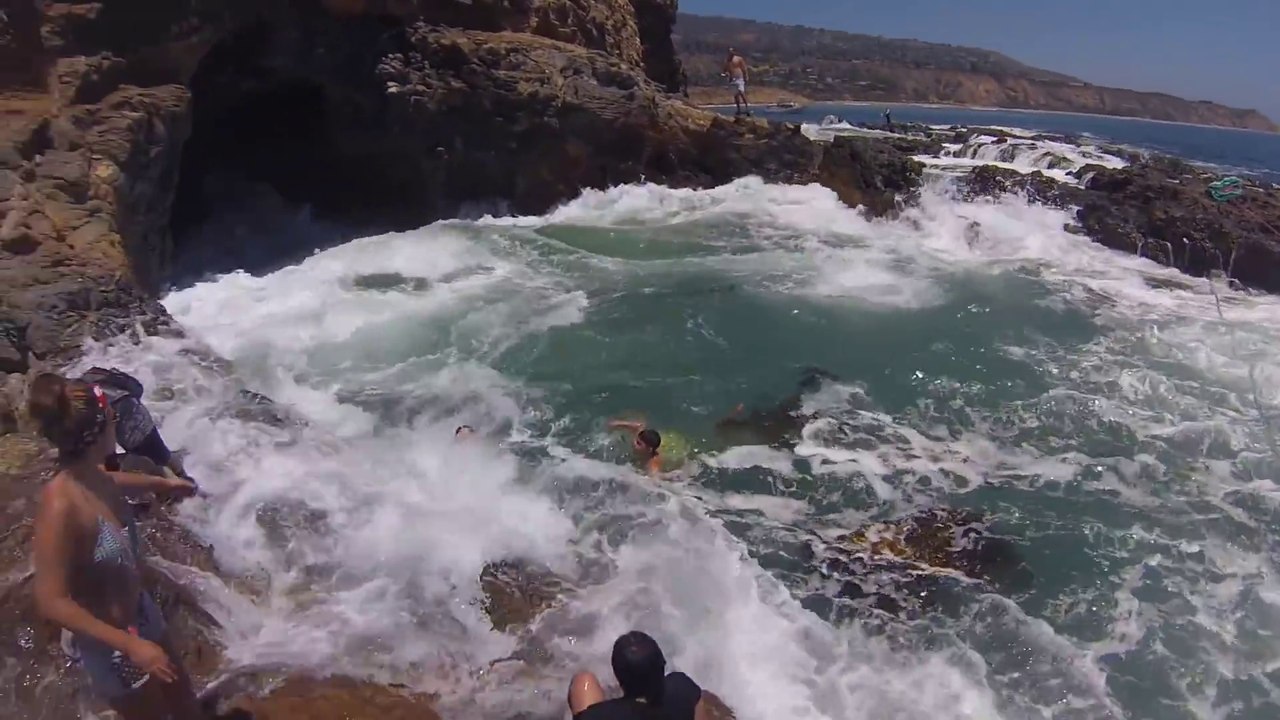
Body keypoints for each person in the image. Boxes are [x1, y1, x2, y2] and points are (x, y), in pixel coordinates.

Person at [28, 373, 204, 719]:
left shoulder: (90, 475)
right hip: (112, 646)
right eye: (114, 421)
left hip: (139, 612)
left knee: (186, 706)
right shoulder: (60, 506)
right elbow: (51, 600)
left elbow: (112, 481)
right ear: (99, 432)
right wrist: (130, 645)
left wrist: (162, 484)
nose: (117, 429)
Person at [79, 367, 193, 485]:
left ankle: (185, 486)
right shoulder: (91, 376)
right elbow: (136, 388)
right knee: (160, 457)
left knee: (156, 461)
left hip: (128, 427)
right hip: (136, 414)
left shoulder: (80, 402)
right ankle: (181, 480)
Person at [568, 631, 711, 720]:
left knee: (583, 681)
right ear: (662, 666)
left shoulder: (598, 716)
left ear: (617, 677)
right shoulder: (682, 688)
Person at [723, 48, 750, 117]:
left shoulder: (739, 59)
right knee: (736, 95)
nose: (731, 53)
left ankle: (747, 108)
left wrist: (746, 76)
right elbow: (725, 69)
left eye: (732, 51)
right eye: (729, 51)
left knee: (741, 92)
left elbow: (744, 68)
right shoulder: (727, 61)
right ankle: (739, 109)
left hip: (739, 78)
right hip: (732, 79)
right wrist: (725, 74)